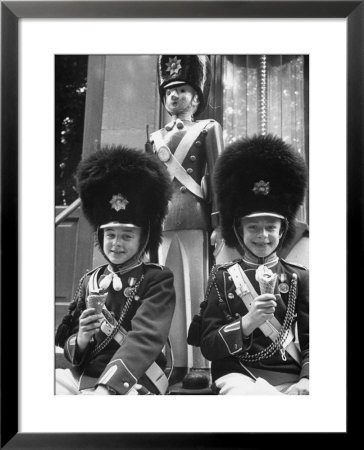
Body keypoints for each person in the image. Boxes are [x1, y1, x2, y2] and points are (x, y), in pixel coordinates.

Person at [55, 145, 175, 395]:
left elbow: (144, 339)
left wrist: (107, 388)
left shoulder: (157, 279)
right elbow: (72, 345)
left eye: (127, 235)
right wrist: (82, 338)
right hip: (85, 377)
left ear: (144, 239)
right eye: (110, 234)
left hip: (134, 380)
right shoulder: (90, 280)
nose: (116, 243)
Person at [199, 134, 309, 395]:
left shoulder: (299, 277)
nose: (263, 235)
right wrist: (247, 323)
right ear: (238, 230)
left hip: (293, 377)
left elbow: (313, 338)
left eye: (271, 227)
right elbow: (208, 345)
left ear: (282, 230)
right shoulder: (222, 277)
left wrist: (307, 379)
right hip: (239, 376)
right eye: (253, 227)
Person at [148, 55, 224, 385]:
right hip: (163, 224)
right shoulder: (154, 139)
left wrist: (219, 223)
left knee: (197, 292)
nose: (174, 96)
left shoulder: (208, 129)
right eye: (169, 92)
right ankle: (177, 361)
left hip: (195, 219)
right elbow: (150, 185)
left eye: (181, 90)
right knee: (170, 296)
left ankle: (200, 366)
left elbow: (218, 177)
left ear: (196, 97)